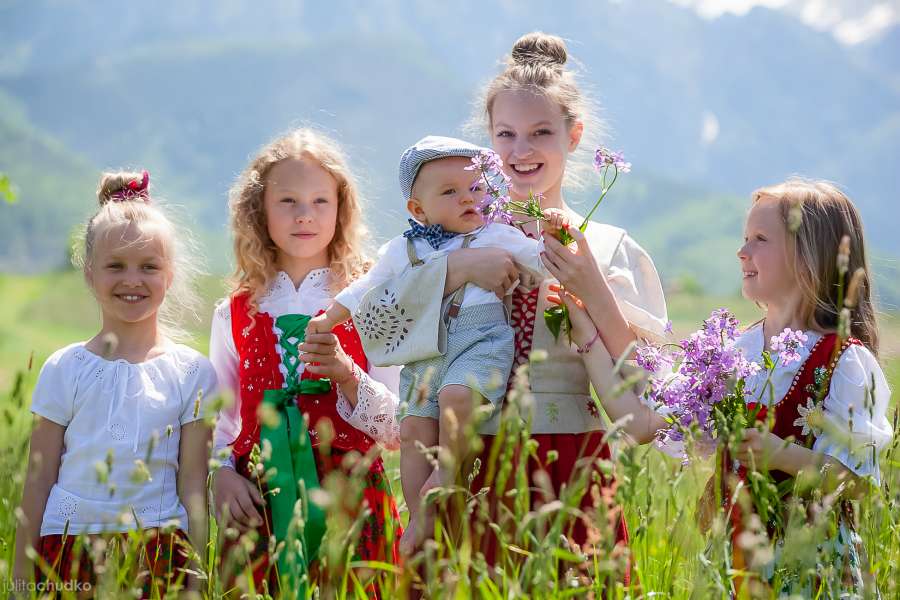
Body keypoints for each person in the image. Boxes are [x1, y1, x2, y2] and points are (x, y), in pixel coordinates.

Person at [306, 135, 567, 554]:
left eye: (477, 188)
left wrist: (554, 235)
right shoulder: (403, 248)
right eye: (450, 192)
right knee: (413, 429)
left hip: (480, 340)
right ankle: (419, 514)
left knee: (457, 395)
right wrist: (330, 318)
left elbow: (538, 261)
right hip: (424, 352)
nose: (469, 199)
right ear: (417, 208)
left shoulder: (497, 234)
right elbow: (366, 287)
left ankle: (447, 472)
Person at [209, 128, 402, 595]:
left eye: (320, 202)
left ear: (341, 210)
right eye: (288, 201)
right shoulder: (234, 311)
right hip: (260, 499)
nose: (304, 216)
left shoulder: (372, 301)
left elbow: (400, 427)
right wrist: (220, 476)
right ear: (260, 210)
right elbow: (219, 420)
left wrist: (346, 375)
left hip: (353, 497)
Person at [13, 170, 216, 597]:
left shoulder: (192, 372)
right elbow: (38, 482)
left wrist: (195, 584)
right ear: (89, 273)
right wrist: (18, 582)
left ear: (170, 275)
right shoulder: (64, 368)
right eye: (115, 266)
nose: (132, 280)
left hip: (159, 550)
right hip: (68, 546)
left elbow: (193, 486)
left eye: (148, 266)